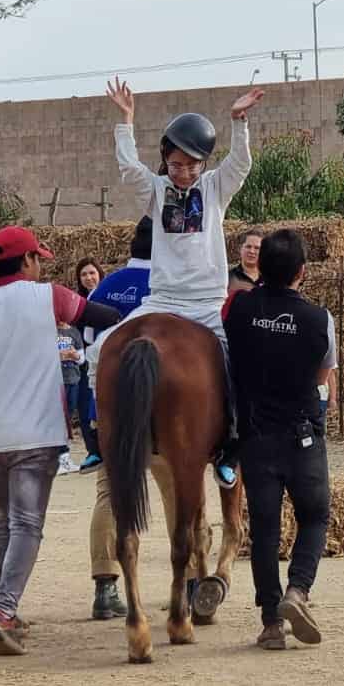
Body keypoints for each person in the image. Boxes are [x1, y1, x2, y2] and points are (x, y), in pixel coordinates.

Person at [0, 226, 121, 656]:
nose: (40, 266)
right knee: (27, 524)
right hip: (36, 433)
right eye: (37, 259)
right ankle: (3, 611)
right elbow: (103, 316)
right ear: (27, 261)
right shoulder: (49, 296)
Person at [102, 76, 263, 489]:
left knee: (239, 365)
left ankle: (230, 447)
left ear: (203, 164)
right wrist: (125, 121)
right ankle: (100, 434)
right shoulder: (156, 191)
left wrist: (238, 122)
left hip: (208, 303)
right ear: (166, 161)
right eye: (176, 165)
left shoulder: (215, 188)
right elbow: (128, 169)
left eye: (192, 165)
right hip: (162, 300)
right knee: (101, 350)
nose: (184, 173)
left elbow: (240, 164)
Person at [225, 229, 333, 650]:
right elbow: (323, 378)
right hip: (302, 433)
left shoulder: (239, 308)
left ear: (260, 267)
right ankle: (298, 590)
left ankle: (271, 622)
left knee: (265, 530)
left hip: (255, 436)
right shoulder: (320, 319)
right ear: (302, 272)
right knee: (315, 516)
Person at [85, 218, 154, 620]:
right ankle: (193, 579)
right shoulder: (167, 288)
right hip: (162, 410)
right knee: (182, 486)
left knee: (109, 493)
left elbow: (90, 348)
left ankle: (105, 586)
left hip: (109, 407)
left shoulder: (106, 286)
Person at [70, 258, 104, 470]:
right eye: (84, 274)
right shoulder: (76, 302)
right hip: (83, 361)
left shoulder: (108, 296)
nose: (89, 278)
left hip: (107, 357)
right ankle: (93, 451)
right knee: (85, 406)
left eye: (92, 273)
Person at [56, 320, 85, 475]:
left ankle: (65, 457)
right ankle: (59, 458)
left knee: (68, 419)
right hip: (55, 381)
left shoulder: (74, 332)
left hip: (72, 379)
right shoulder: (48, 330)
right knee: (57, 419)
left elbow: (81, 359)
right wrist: (60, 355)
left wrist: (74, 355)